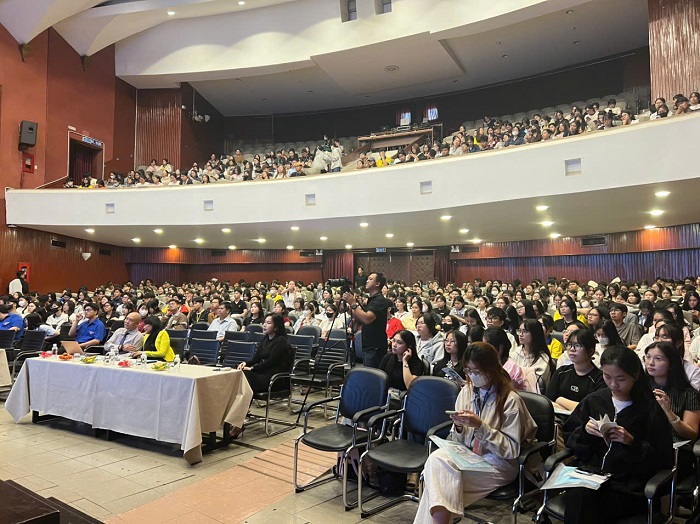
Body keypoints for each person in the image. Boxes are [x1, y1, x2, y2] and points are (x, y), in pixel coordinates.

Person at [414, 342, 537, 523]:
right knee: (437, 460)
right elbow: (457, 440)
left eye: (477, 371)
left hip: (497, 463)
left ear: (491, 369)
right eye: (468, 370)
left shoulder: (510, 401)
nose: (472, 376)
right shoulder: (467, 391)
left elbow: (511, 450)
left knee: (437, 485)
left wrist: (481, 427)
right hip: (468, 455)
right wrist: (458, 427)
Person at [561, 346, 674, 523]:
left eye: (621, 379)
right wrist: (584, 430)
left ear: (635, 375)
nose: (613, 385)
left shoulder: (649, 409)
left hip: (628, 486)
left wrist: (632, 443)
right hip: (590, 476)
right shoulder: (594, 400)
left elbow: (664, 459)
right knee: (580, 497)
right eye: (607, 377)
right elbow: (570, 438)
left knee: (585, 504)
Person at [231, 313, 294, 438]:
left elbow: (271, 362)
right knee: (237, 373)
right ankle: (238, 416)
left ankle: (238, 419)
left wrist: (252, 368)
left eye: (268, 323)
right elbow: (256, 358)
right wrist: (245, 363)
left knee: (245, 378)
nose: (264, 325)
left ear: (276, 327)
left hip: (274, 378)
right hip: (262, 375)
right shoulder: (265, 339)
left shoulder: (281, 341)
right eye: (264, 322)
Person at [645, 341, 700, 444]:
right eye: (648, 357)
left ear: (671, 363)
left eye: (658, 358)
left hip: (675, 445)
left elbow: (691, 435)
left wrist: (668, 411)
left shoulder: (688, 394)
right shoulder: (642, 388)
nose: (650, 362)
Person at [546, 330, 604, 412]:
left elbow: (590, 410)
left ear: (591, 351)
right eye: (569, 345)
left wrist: (559, 399)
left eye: (577, 345)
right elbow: (548, 402)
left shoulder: (600, 379)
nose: (572, 349)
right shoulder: (561, 372)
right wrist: (573, 408)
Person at [343, 272, 392, 368]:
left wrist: (353, 303)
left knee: (372, 374)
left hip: (375, 347)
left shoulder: (380, 300)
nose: (366, 281)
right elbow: (360, 317)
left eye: (370, 279)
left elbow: (367, 319)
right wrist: (348, 309)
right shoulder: (372, 299)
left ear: (377, 284)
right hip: (368, 345)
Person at [511, 318, 554, 387]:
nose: (520, 334)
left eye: (525, 331)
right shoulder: (515, 353)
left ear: (535, 334)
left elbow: (537, 381)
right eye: (519, 331)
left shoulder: (543, 357)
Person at [379, 329, 424, 394]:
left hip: (403, 395)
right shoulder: (388, 356)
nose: (394, 345)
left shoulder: (416, 364)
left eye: (399, 343)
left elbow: (410, 386)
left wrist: (405, 361)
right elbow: (379, 378)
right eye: (393, 341)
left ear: (409, 346)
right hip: (386, 392)